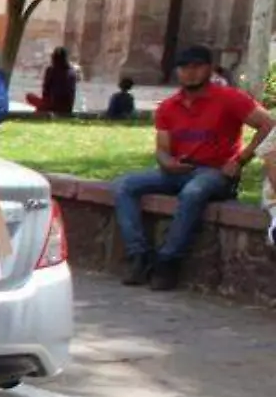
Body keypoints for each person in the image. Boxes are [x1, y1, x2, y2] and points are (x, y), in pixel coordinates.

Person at [112, 46, 273, 290]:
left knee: (193, 192)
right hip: (178, 170)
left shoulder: (229, 98)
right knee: (125, 185)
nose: (190, 73)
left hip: (215, 173)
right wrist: (168, 163)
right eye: (184, 68)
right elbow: (162, 149)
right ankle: (139, 255)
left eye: (197, 67)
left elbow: (268, 124)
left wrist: (240, 160)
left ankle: (168, 261)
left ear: (209, 68)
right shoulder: (169, 106)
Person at [25, 46, 78, 116]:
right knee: (32, 98)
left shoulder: (51, 71)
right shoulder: (71, 72)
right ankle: (42, 110)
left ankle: (41, 111)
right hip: (66, 108)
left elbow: (46, 91)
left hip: (53, 105)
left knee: (30, 97)